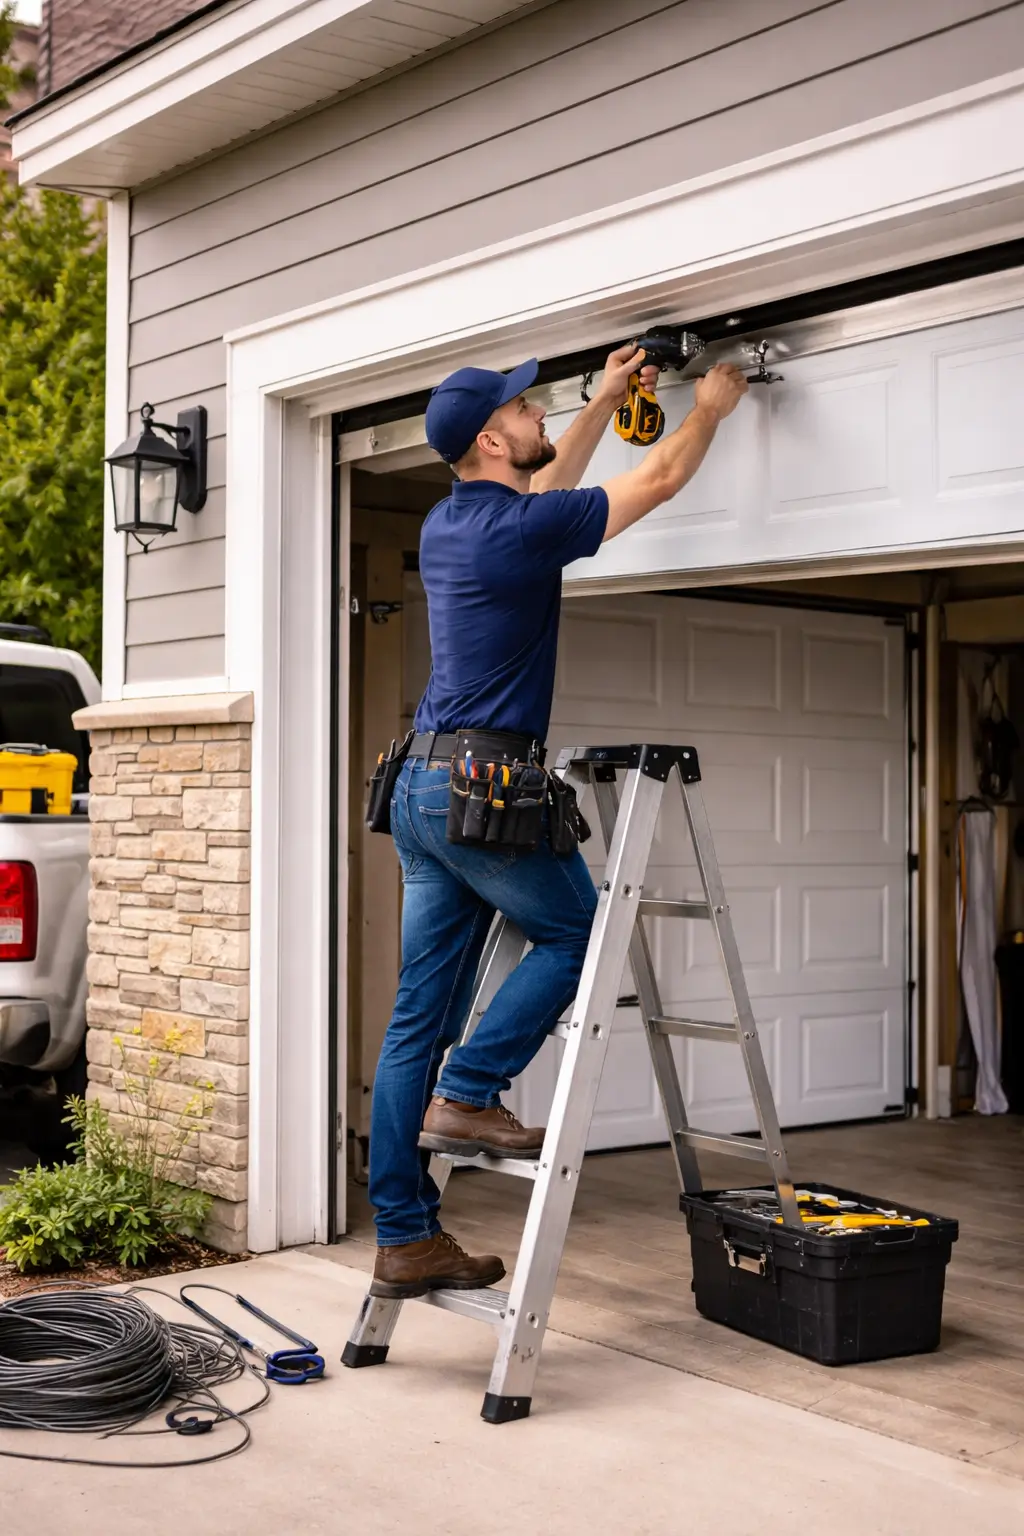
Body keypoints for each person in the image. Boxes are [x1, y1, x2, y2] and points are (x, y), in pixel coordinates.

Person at [368, 343, 748, 1298]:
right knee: (582, 933)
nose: (542, 418)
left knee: (418, 1017)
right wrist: (713, 405)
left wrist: (608, 396)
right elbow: (656, 477)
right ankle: (471, 1091)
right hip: (483, 791)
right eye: (529, 412)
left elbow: (547, 486)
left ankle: (405, 1235)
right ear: (495, 438)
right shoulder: (518, 533)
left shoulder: (454, 519)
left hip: (421, 788)